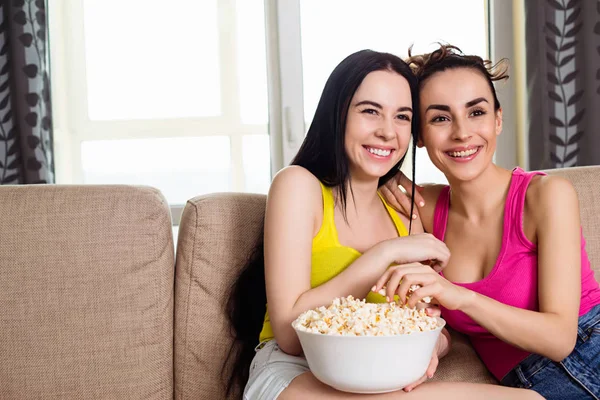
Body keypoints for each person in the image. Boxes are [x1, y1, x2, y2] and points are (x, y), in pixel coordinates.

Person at [224, 49, 541, 400]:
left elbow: (431, 318)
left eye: (402, 117)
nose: (387, 132)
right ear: (338, 114)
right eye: (370, 111)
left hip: (381, 376)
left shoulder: (403, 211)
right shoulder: (299, 186)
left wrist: (435, 344)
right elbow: (289, 334)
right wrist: (385, 253)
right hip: (296, 374)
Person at [378, 44, 600, 400]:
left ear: (497, 119)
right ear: (418, 136)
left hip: (589, 354)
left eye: (476, 112)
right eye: (440, 118)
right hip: (526, 386)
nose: (462, 133)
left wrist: (458, 296)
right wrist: (383, 174)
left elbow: (560, 339)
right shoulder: (422, 207)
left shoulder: (547, 195)